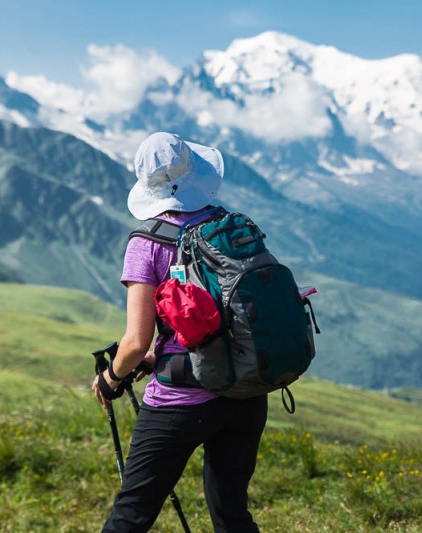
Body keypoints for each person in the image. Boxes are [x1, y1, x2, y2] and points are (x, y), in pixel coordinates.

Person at [92, 132, 268, 532]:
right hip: (245, 391)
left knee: (131, 514)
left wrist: (112, 377)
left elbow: (136, 343)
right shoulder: (230, 226)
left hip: (180, 399)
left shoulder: (147, 242)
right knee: (232, 515)